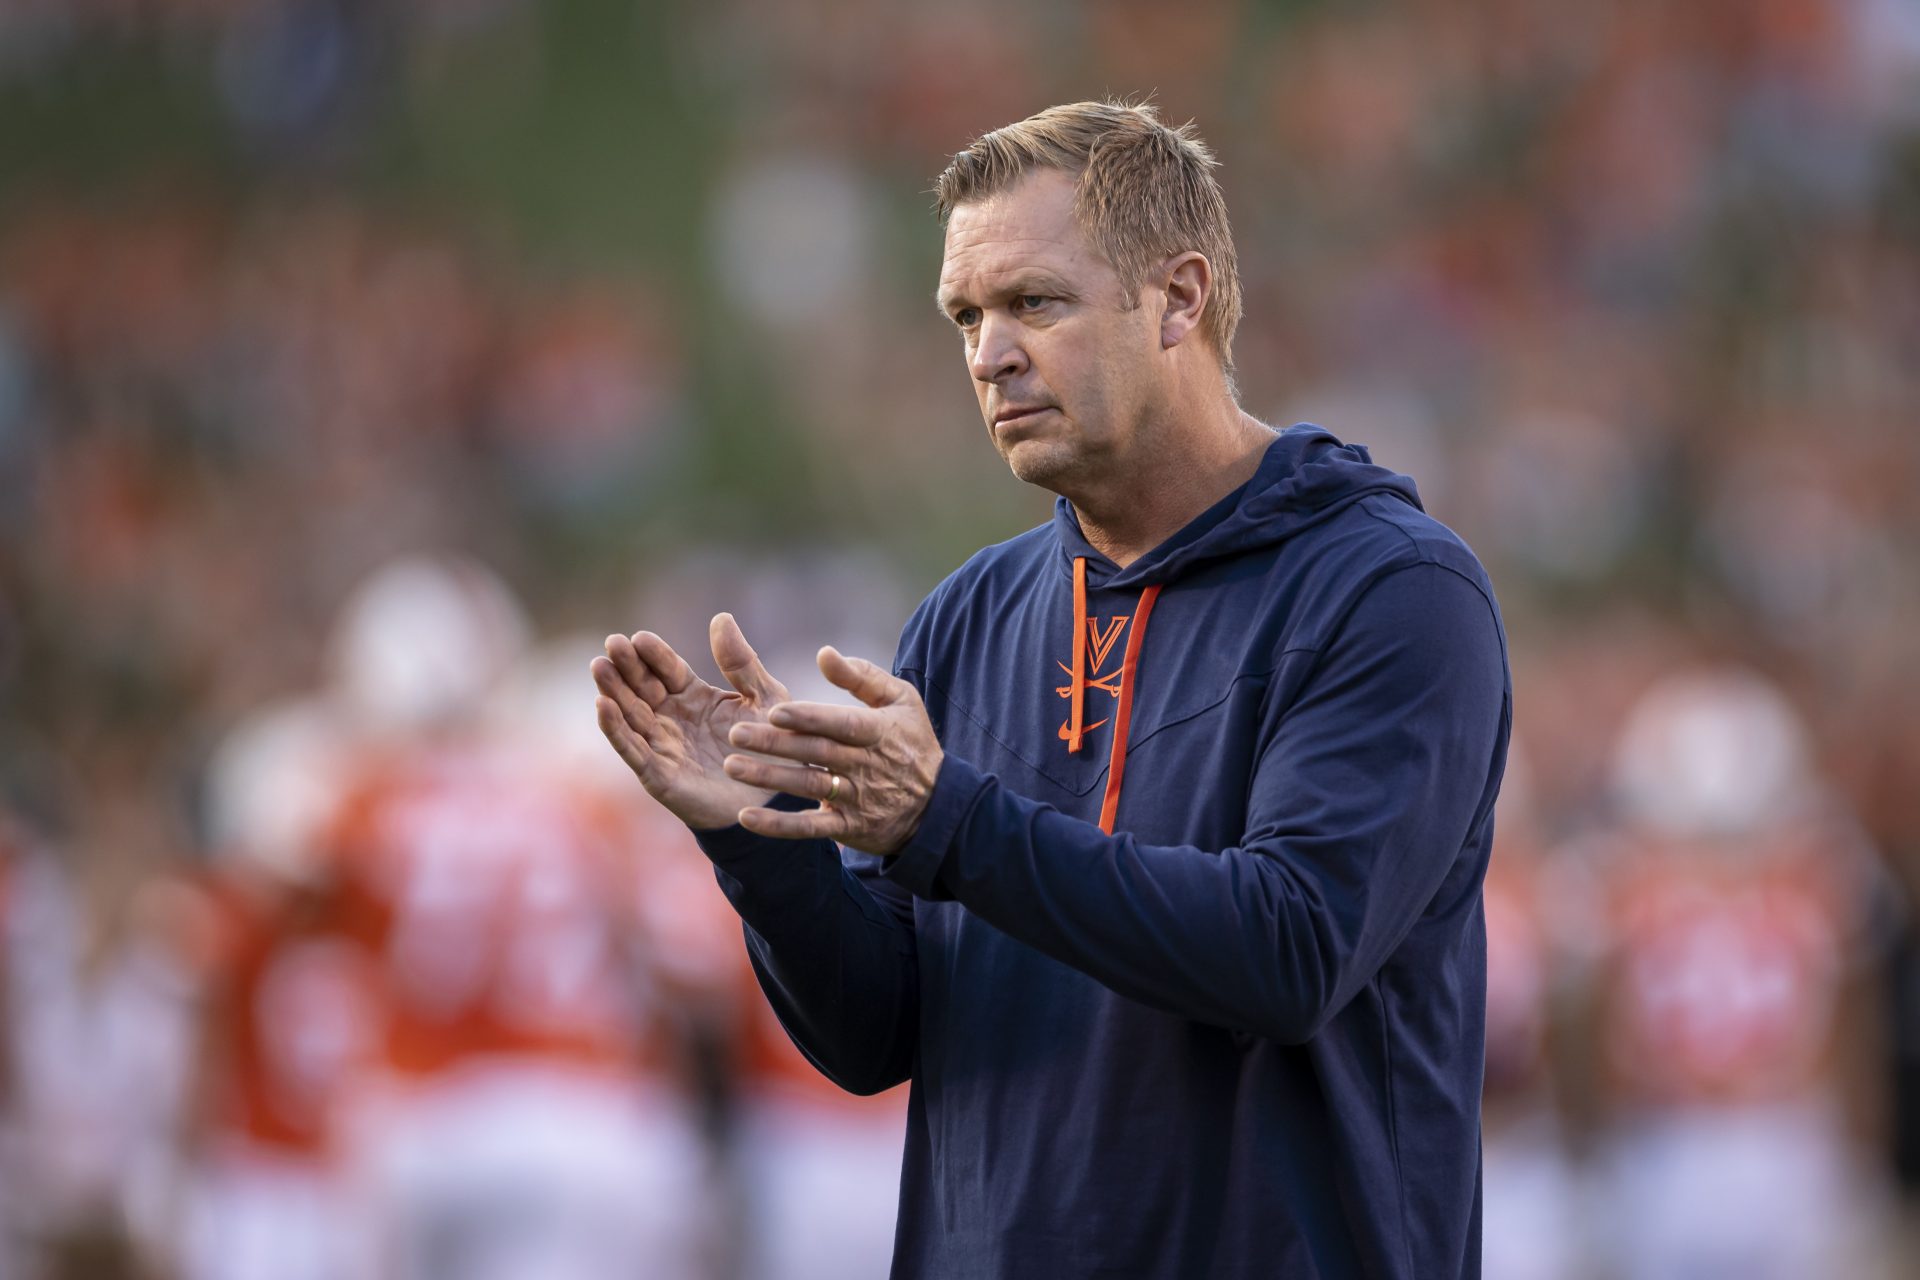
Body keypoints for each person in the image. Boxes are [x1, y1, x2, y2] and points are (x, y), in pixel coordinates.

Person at [591, 100, 1511, 1278]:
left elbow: (1290, 949)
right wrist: (761, 847)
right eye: (966, 315)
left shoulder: (1391, 586)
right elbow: (878, 1033)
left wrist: (949, 822)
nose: (989, 353)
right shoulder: (971, 614)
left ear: (1179, 299)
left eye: (1035, 302)